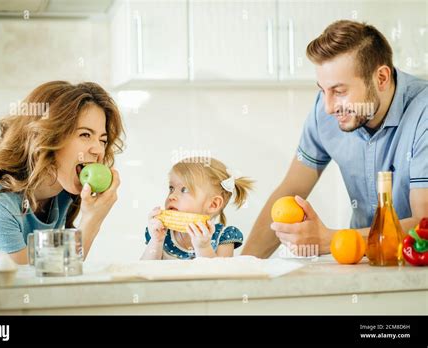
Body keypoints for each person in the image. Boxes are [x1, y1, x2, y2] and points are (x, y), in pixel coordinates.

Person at [242, 20, 428, 258]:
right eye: (322, 89)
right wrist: (245, 266)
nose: (329, 107)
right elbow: (290, 190)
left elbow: (424, 227)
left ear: (381, 78)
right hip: (360, 262)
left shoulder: (423, 112)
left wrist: (332, 240)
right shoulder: (326, 110)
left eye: (340, 92)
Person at [0, 81, 124, 264]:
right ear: (46, 136)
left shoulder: (62, 187)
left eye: (103, 140)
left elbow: (51, 270)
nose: (98, 150)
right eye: (85, 135)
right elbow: (22, 282)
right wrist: (92, 221)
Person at [141, 157, 253, 259]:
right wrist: (156, 241)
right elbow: (144, 272)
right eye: (171, 188)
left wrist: (203, 248)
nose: (171, 196)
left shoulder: (223, 237)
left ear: (213, 204)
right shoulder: (162, 233)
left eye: (184, 190)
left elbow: (219, 277)